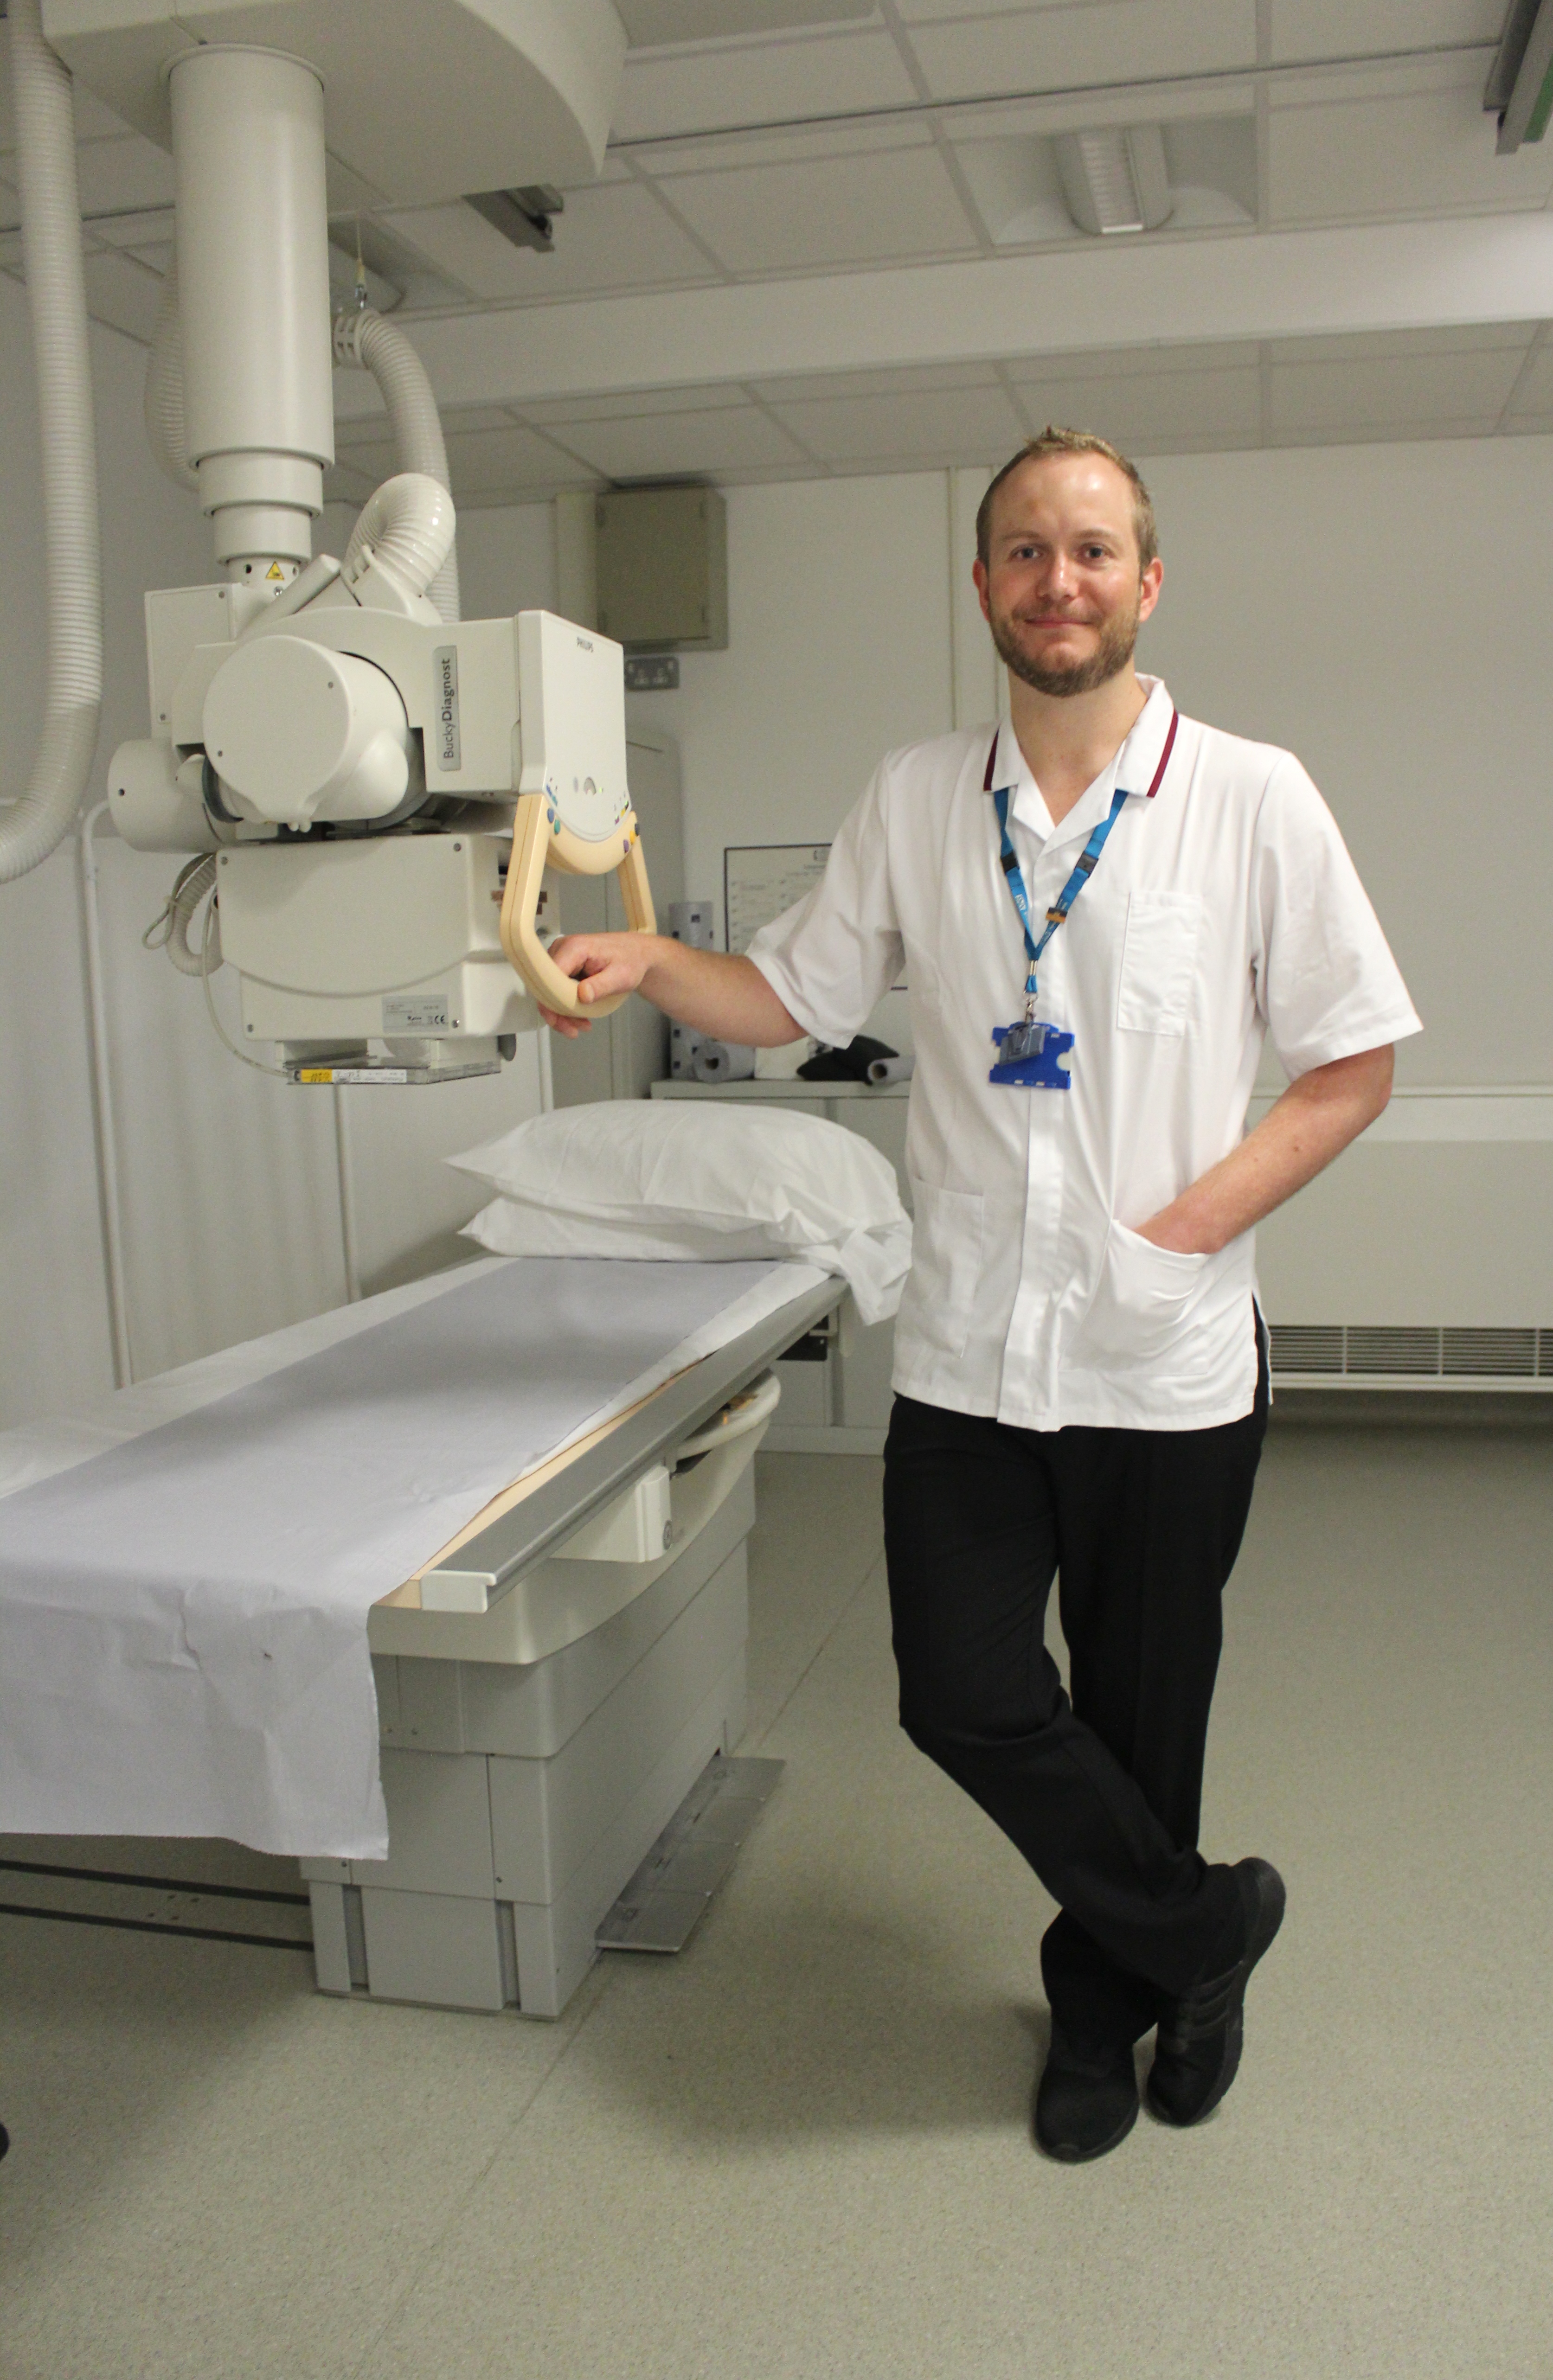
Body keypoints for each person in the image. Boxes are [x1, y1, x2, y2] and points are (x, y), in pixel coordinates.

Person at [538, 427, 1422, 2162]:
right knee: (958, 1689)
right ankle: (1204, 1929)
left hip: (1160, 1366)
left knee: (1139, 1721)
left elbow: (1348, 1067)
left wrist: (1178, 1233)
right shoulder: (913, 798)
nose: (1058, 579)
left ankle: (1105, 2013)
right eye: (1024, 550)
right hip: (964, 1353)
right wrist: (648, 959)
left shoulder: (1252, 797)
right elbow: (783, 995)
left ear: (1147, 582)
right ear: (981, 589)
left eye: (1092, 549)